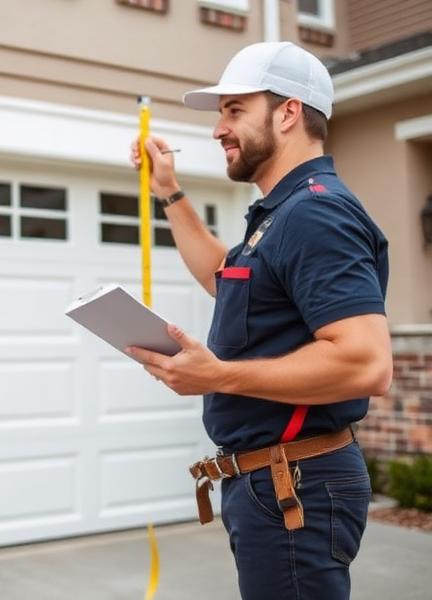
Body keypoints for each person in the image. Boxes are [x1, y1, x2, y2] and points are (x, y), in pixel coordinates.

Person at [128, 41, 392, 600]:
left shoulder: (315, 212)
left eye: (234, 110)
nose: (218, 129)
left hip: (295, 483)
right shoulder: (283, 212)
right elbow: (223, 276)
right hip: (276, 483)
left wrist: (218, 375)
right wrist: (168, 191)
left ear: (288, 112)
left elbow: (366, 363)